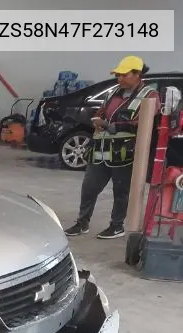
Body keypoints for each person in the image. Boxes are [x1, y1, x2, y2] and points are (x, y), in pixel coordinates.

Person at [64, 55, 161, 239]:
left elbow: (143, 123)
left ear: (137, 74)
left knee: (121, 191)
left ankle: (117, 226)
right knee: (89, 188)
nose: (119, 79)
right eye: (118, 75)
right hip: (101, 151)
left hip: (125, 153)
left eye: (124, 75)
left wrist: (113, 126)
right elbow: (101, 112)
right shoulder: (113, 93)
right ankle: (82, 222)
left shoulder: (150, 95)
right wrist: (98, 121)